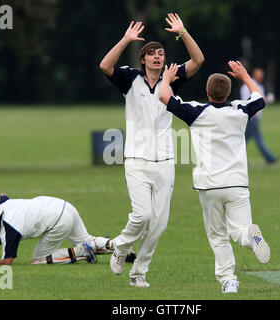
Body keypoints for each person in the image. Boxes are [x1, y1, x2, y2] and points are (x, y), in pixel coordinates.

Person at [100, 13, 204, 288]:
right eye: (151, 54)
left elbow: (198, 61)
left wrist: (183, 32)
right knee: (142, 215)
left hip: (165, 162)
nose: (157, 57)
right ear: (142, 59)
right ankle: (121, 248)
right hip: (136, 160)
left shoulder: (171, 79)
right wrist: (125, 40)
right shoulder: (129, 78)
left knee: (158, 224)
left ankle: (138, 274)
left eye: (160, 53)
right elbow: (105, 65)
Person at [159, 61, 271, 294]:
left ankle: (228, 280)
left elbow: (164, 98)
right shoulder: (239, 112)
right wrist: (245, 76)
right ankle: (252, 238)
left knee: (218, 236)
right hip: (237, 183)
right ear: (228, 93)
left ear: (207, 93)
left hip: (209, 185)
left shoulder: (197, 112)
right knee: (241, 229)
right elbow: (259, 98)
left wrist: (167, 79)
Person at [0, 194, 135, 265]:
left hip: (57, 219)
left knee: (39, 259)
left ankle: (84, 252)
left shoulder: (8, 230)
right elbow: (2, 195)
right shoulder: (2, 204)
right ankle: (121, 246)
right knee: (86, 237)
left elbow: (7, 263)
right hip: (64, 205)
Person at [240, 68, 278, 164]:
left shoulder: (259, 86)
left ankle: (233, 155)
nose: (261, 77)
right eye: (259, 74)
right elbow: (246, 101)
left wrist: (268, 100)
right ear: (254, 75)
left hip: (253, 117)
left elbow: (261, 100)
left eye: (261, 75)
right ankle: (270, 158)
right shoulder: (247, 86)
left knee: (245, 138)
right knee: (258, 137)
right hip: (253, 116)